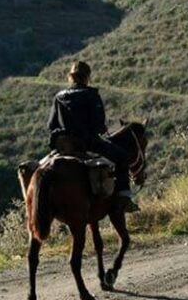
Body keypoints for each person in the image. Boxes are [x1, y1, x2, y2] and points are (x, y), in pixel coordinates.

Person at [48, 61, 139, 212]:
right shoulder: (92, 95)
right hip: (87, 143)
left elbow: (51, 124)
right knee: (122, 157)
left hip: (64, 146)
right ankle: (124, 198)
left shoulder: (59, 97)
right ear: (87, 77)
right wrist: (101, 130)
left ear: (71, 77)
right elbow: (98, 124)